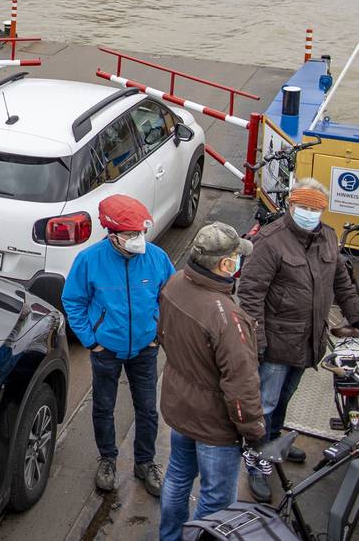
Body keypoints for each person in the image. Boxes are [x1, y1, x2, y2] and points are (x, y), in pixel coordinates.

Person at [237, 178, 359, 501]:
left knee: (283, 400)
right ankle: (256, 461)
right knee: (264, 403)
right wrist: (257, 342)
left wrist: (357, 317)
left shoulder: (329, 239)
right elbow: (250, 294)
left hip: (308, 343)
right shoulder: (271, 241)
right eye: (303, 206)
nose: (308, 213)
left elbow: (343, 284)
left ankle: (274, 441)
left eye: (315, 208)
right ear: (291, 206)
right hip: (275, 346)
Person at [157, 223, 264, 541]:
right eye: (236, 257)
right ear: (224, 264)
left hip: (180, 408)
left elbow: (163, 335)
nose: (239, 263)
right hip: (215, 425)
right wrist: (253, 430)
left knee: (177, 477)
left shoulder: (175, 283)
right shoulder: (227, 317)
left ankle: (170, 536)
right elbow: (241, 385)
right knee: (216, 500)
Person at [62, 194, 175, 496]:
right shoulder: (89, 261)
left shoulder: (157, 258)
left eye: (140, 232)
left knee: (148, 409)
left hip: (145, 349)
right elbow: (73, 301)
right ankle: (108, 460)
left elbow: (171, 298)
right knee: (103, 407)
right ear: (112, 235)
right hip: (106, 351)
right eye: (129, 234)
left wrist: (157, 335)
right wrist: (91, 340)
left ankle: (145, 462)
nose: (137, 239)